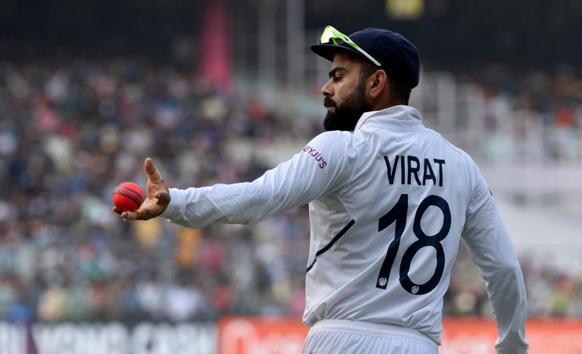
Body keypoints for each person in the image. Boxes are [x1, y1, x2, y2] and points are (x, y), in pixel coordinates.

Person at [115, 25, 528, 354]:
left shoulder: (342, 149)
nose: (326, 89)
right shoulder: (461, 166)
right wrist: (512, 348)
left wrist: (176, 202)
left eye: (338, 76)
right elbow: (505, 270)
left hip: (341, 339)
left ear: (377, 82)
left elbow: (259, 198)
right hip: (418, 345)